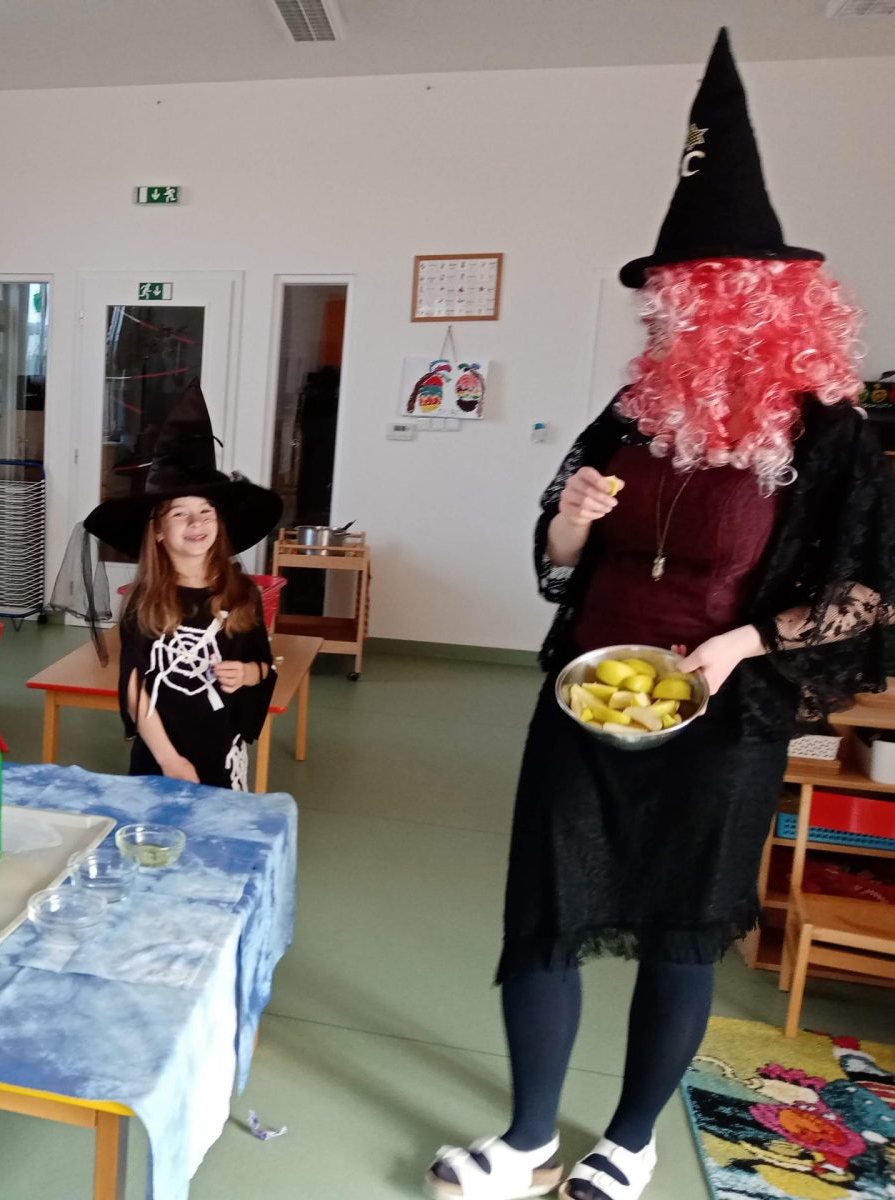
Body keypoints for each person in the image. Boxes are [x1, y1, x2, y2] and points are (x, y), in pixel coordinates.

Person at [427, 31, 895, 1200]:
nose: (685, 319)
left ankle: (629, 1142)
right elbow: (559, 554)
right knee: (545, 910)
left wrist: (743, 642)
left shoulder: (827, 433)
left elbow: (867, 591)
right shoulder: (634, 412)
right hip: (587, 693)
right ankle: (527, 1138)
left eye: (709, 296)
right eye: (674, 300)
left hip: (720, 718)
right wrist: (570, 519)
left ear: (769, 303)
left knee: (681, 927)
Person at [84, 382, 282, 790]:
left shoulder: (241, 594)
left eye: (207, 512)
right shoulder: (145, 601)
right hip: (160, 755)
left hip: (223, 752)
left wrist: (246, 673)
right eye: (180, 513)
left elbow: (264, 665)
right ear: (157, 530)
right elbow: (136, 686)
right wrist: (169, 760)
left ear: (219, 523)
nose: (196, 523)